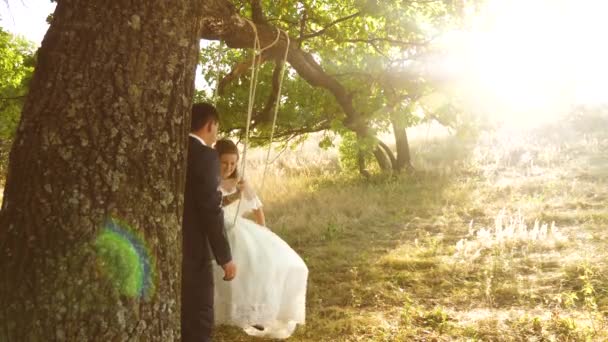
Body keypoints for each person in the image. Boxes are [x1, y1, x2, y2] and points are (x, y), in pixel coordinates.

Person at [213, 139, 308, 339]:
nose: (229, 167)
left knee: (257, 263)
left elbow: (256, 206)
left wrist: (263, 230)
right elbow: (214, 206)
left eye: (233, 163)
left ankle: (254, 311)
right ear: (215, 160)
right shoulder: (209, 180)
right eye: (224, 163)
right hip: (216, 228)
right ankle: (224, 309)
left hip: (236, 226)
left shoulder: (239, 181)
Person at [181, 103, 236, 342]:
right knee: (200, 314)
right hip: (194, 248)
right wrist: (225, 257)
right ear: (210, 125)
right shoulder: (205, 155)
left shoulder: (176, 147)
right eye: (216, 129)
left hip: (171, 246)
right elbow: (210, 210)